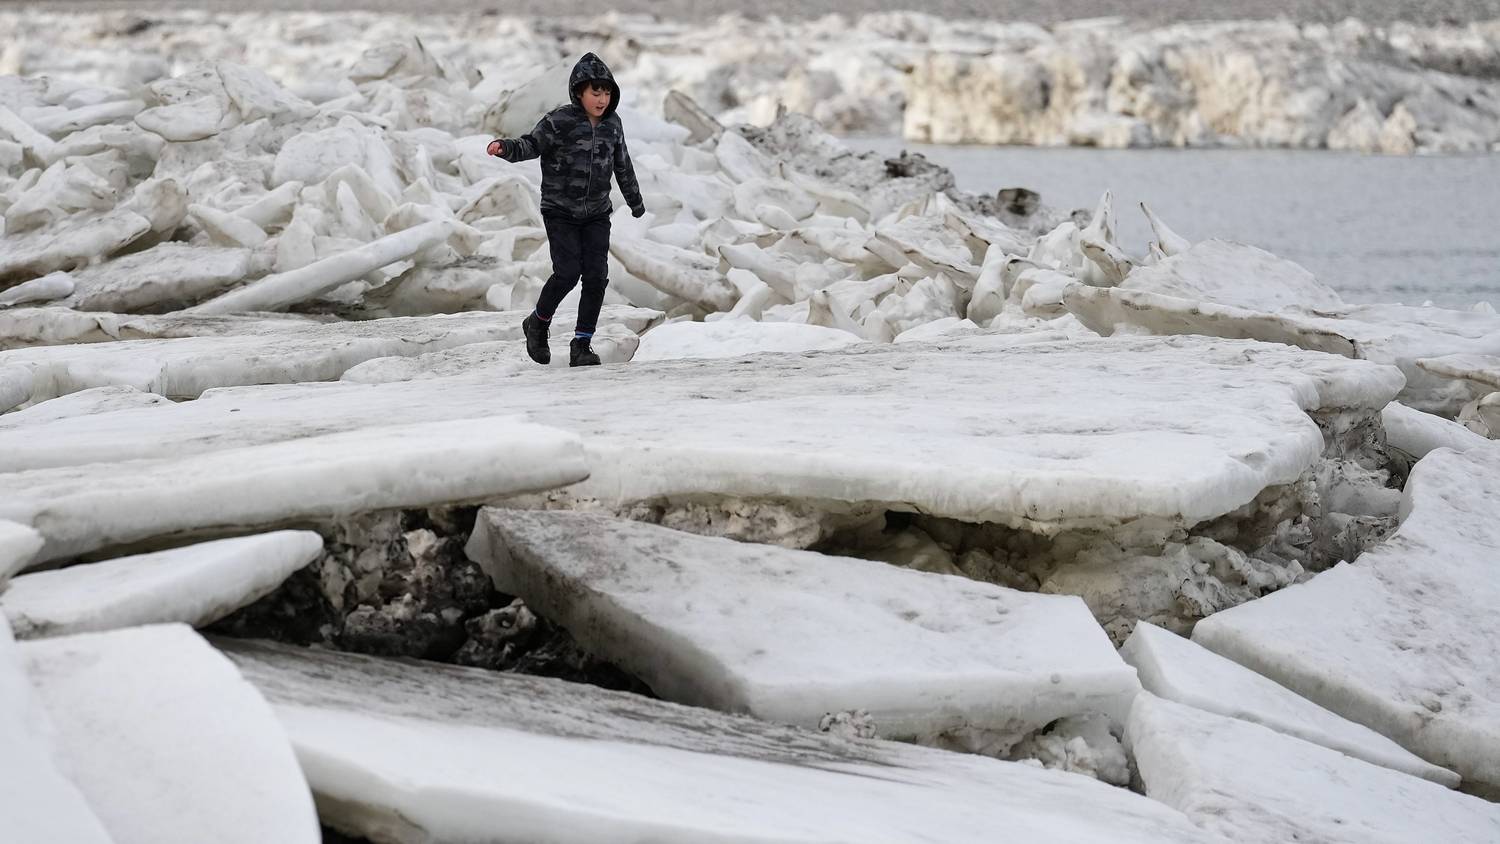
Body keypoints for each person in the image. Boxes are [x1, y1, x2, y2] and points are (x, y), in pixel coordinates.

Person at [487, 52, 645, 367]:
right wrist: (506, 148)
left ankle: (582, 345)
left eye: (606, 92)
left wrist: (635, 200)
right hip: (560, 210)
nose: (601, 99)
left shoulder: (613, 124)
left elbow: (622, 164)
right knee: (568, 272)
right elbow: (532, 144)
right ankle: (538, 323)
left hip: (597, 213)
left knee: (597, 277)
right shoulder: (559, 121)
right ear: (579, 92)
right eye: (594, 92)